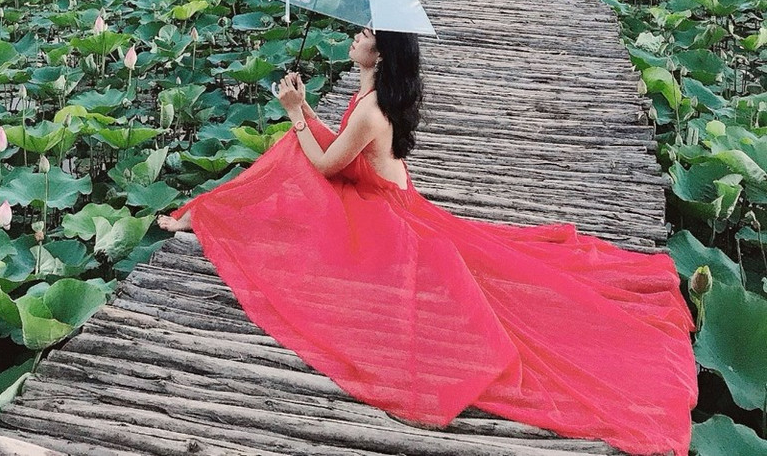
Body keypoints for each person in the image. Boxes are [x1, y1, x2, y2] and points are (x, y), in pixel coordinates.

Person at [158, 26, 697, 456]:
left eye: (366, 33)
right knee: (293, 157)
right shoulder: (372, 96)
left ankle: (212, 216)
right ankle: (211, 214)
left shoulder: (372, 109)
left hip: (386, 214)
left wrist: (296, 114)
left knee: (295, 165)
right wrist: (306, 114)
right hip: (390, 198)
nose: (356, 36)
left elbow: (325, 164)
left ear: (381, 53)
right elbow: (340, 144)